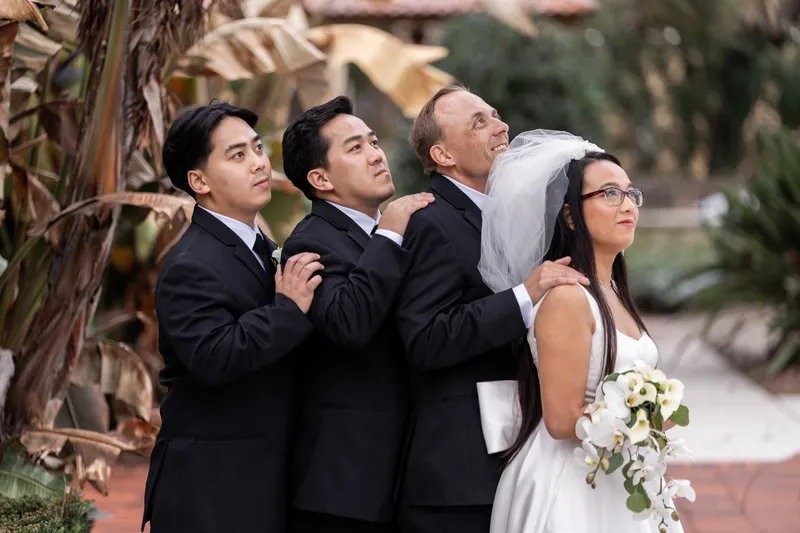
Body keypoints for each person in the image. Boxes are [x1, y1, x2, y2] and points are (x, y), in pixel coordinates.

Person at [392, 85, 589, 533]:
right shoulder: (431, 221)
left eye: (496, 115)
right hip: (459, 476)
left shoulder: (514, 217)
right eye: (478, 122)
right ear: (442, 154)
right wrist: (523, 295)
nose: (501, 127)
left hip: (518, 455)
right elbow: (425, 340)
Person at [476, 130, 683, 532]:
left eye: (630, 193)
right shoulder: (568, 298)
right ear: (570, 214)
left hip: (619, 475)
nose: (628, 205)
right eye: (609, 194)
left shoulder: (613, 290)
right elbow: (561, 419)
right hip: (572, 485)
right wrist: (644, 417)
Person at [141, 102, 322, 533]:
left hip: (263, 481)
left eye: (257, 149)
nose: (259, 162)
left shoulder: (261, 245)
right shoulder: (189, 264)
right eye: (237, 155)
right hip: (213, 490)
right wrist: (289, 309)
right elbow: (214, 356)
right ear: (199, 181)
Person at [280, 96, 434, 533]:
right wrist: (389, 234)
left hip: (397, 475)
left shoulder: (393, 229)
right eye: (355, 148)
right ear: (320, 178)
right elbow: (350, 323)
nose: (376, 154)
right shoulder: (308, 243)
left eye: (372, 141)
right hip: (342, 488)